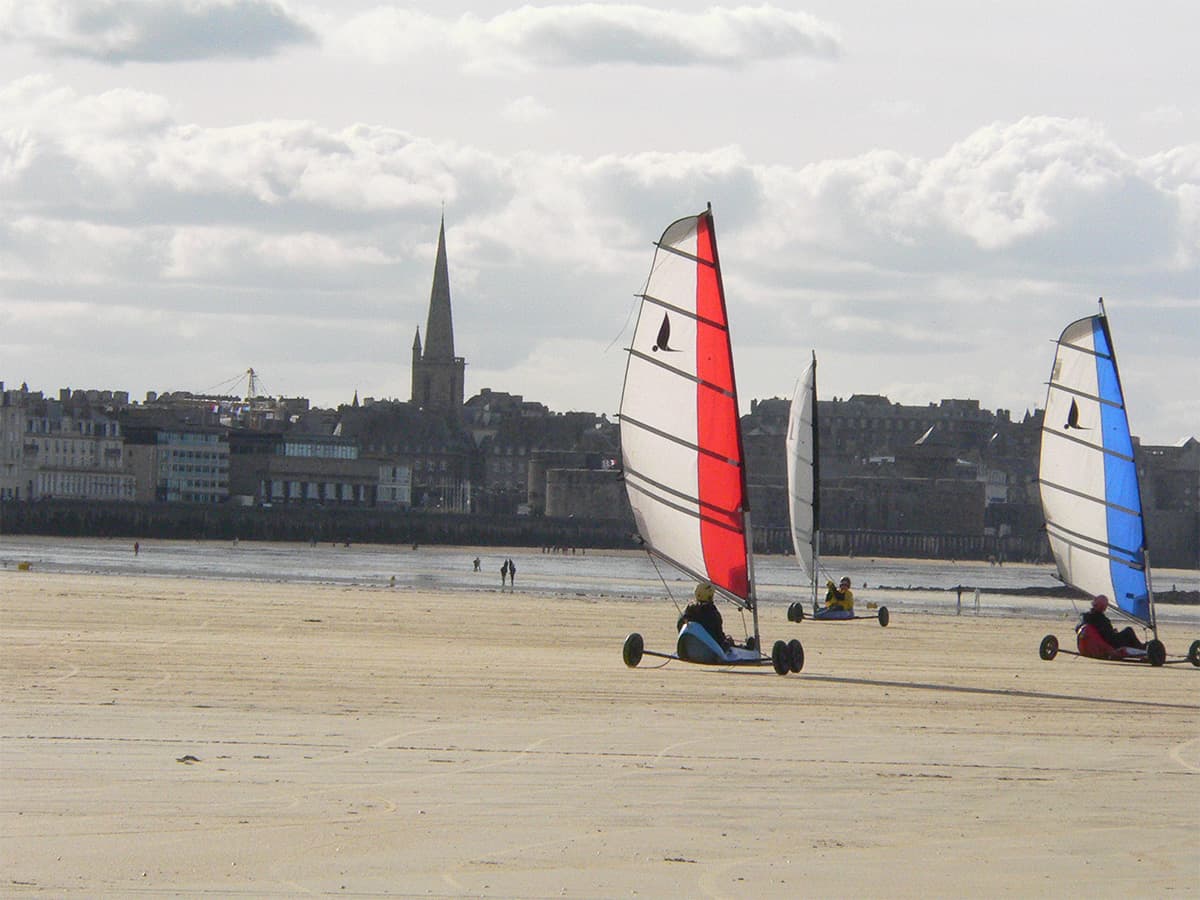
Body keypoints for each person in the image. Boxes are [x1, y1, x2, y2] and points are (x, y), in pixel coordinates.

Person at [1077, 594, 1146, 653]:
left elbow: (1078, 628)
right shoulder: (1102, 619)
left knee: (1125, 635)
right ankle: (1141, 648)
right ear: (1103, 607)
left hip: (1105, 640)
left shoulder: (1085, 617)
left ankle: (1139, 647)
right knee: (1128, 631)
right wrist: (1114, 633)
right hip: (1111, 643)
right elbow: (1109, 636)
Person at [679, 583, 734, 650]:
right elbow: (719, 637)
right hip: (709, 650)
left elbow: (680, 627)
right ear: (711, 596)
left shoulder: (688, 611)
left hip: (688, 649)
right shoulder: (713, 614)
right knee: (729, 640)